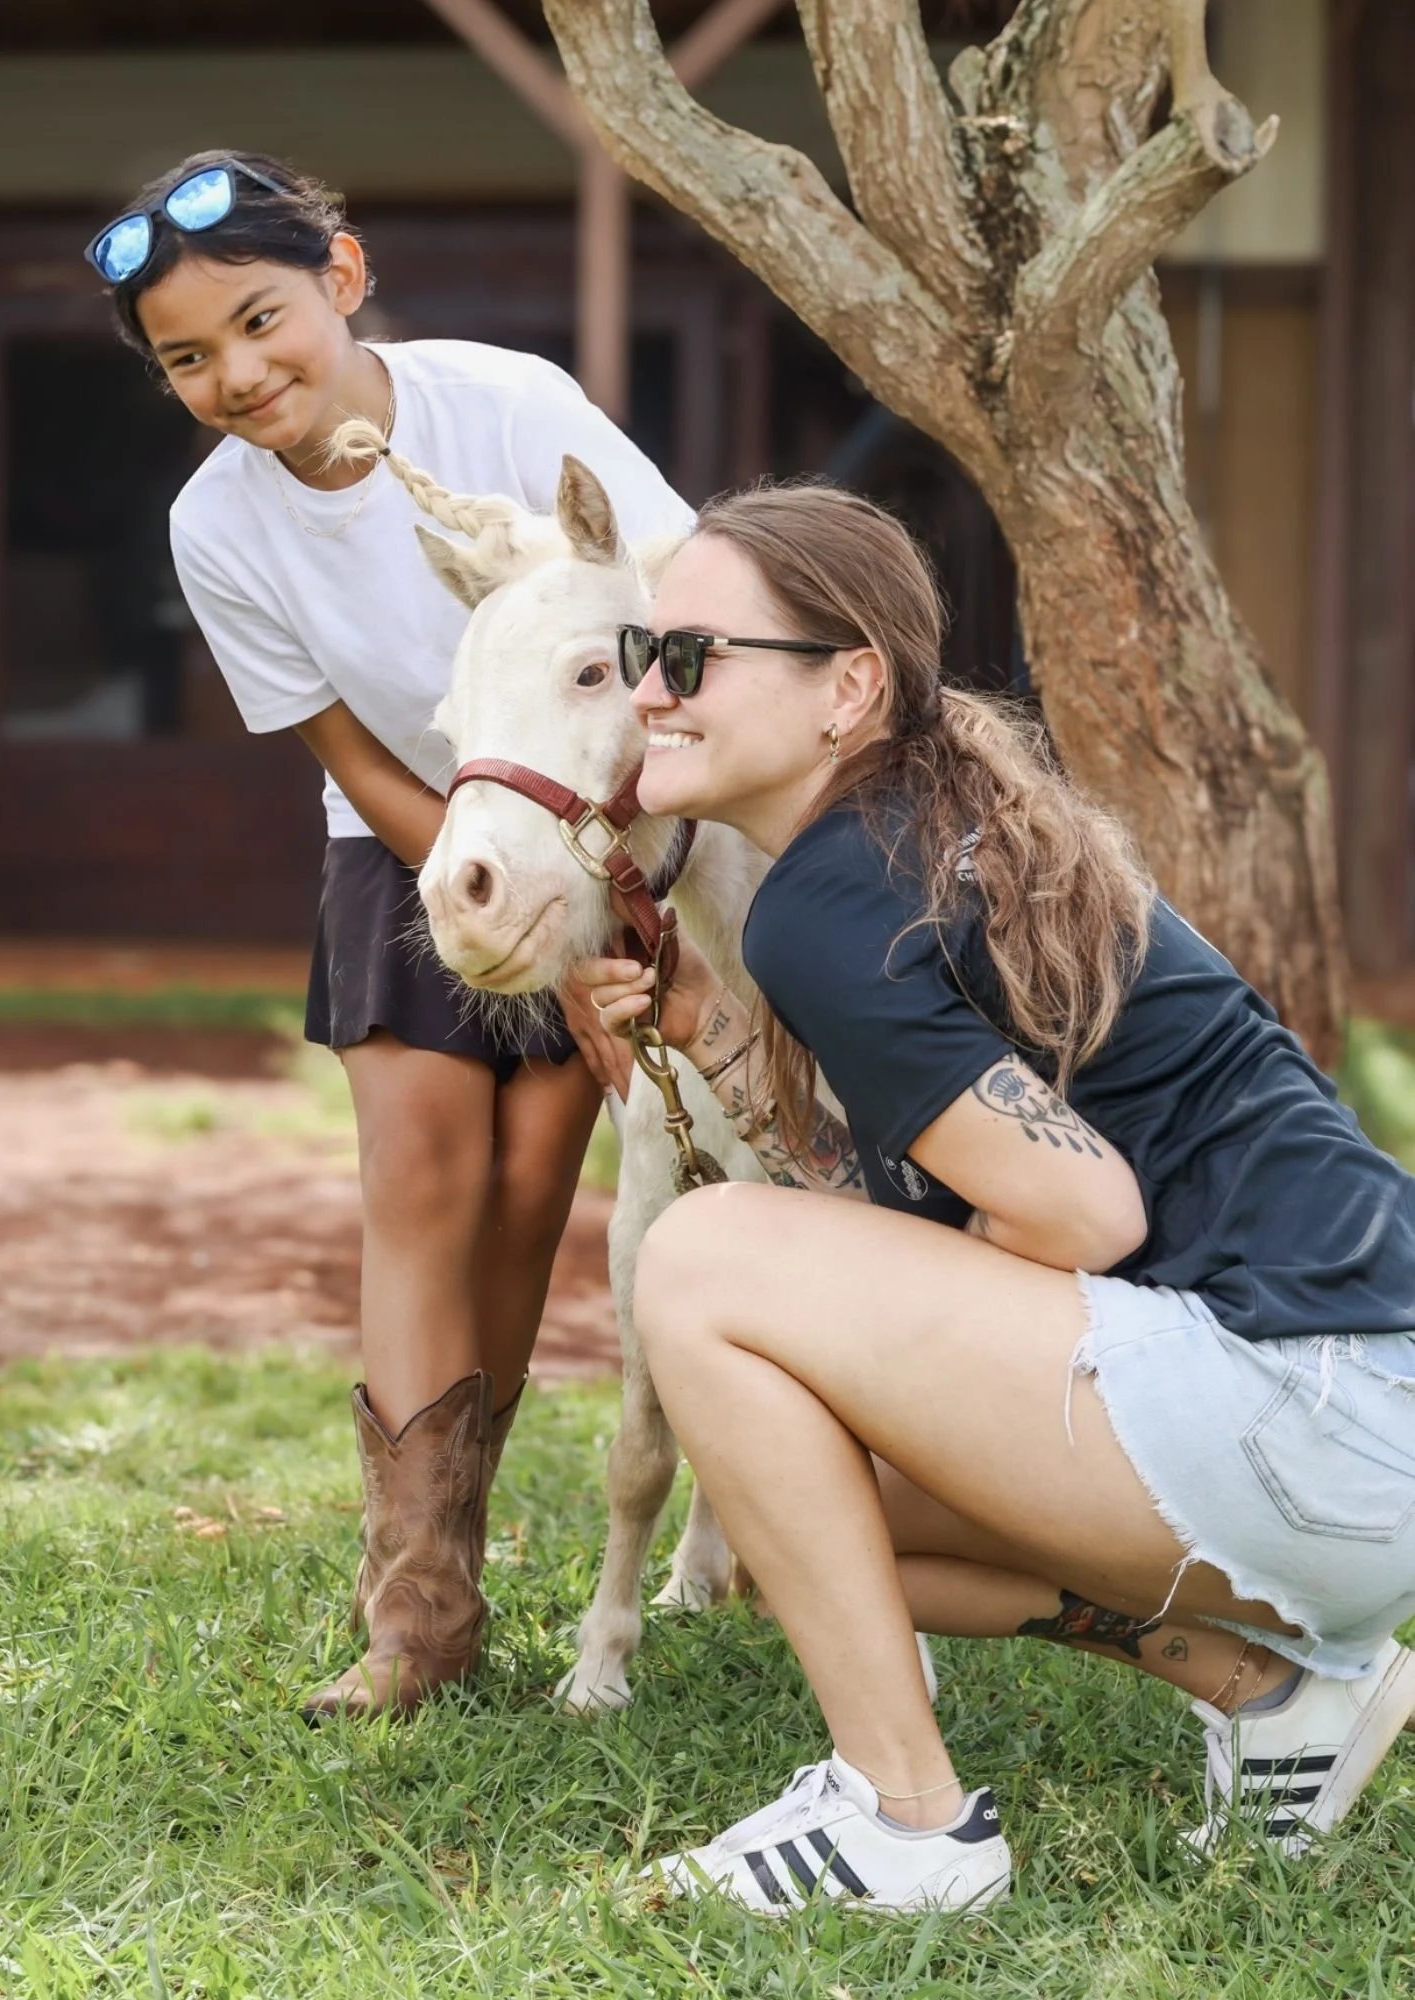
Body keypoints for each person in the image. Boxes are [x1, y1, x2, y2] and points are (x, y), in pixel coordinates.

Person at [579, 480, 1415, 1914]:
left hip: (1312, 1414)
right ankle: (1271, 1687)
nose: (655, 693)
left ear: (848, 687)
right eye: (648, 651)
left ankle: (906, 1827)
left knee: (706, 1260)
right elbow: (974, 1201)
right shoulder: (918, 834)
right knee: (805, 1534)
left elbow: (1082, 1215)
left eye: (697, 657)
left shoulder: (832, 899)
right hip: (1355, 1427)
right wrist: (710, 1036)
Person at [89, 149, 689, 1719]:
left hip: (602, 845)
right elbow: (351, 757)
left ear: (343, 280)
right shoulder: (216, 525)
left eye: (260, 319)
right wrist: (502, 909)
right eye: (188, 358)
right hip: (410, 851)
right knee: (420, 1174)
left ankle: (474, 1531)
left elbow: (677, 606)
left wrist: (585, 914)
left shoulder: (508, 402)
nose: (236, 373)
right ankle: (417, 1617)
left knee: (526, 1189)